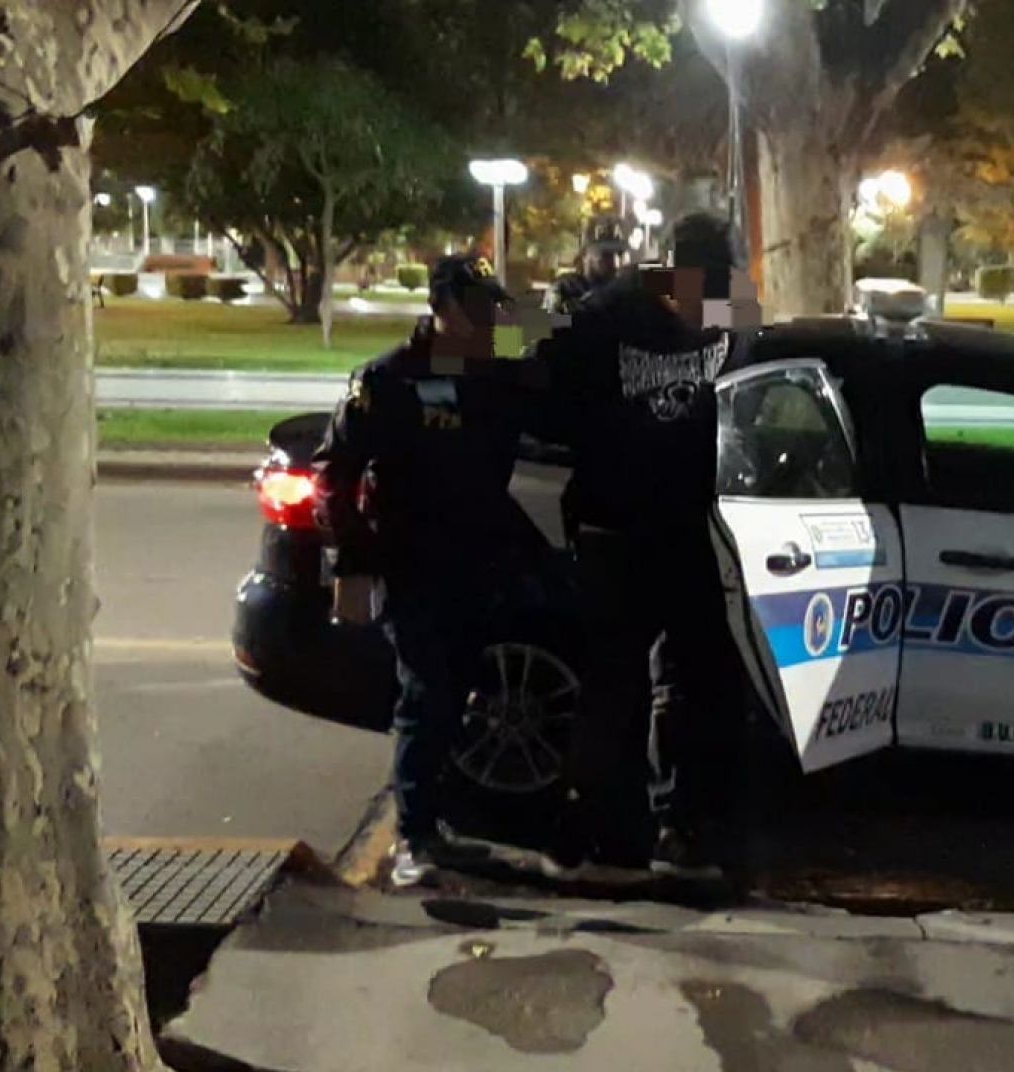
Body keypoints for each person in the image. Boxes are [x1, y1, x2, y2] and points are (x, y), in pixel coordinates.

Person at [531, 211, 750, 879]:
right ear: (675, 273)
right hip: (614, 529)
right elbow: (541, 391)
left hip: (688, 528)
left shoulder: (728, 312)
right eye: (703, 290)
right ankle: (602, 835)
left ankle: (682, 827)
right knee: (615, 684)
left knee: (702, 679)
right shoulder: (606, 316)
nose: (709, 308)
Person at [314, 254, 534, 888]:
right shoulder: (390, 378)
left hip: (478, 559)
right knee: (427, 693)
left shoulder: (496, 365)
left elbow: (556, 352)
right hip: (411, 563)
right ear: (444, 308)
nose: (490, 315)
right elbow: (334, 473)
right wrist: (350, 563)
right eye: (478, 305)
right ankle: (414, 838)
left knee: (460, 694)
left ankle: (437, 827)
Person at [543, 218, 629, 316]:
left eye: (620, 254)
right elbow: (547, 323)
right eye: (605, 255)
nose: (615, 263)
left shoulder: (626, 293)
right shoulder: (564, 289)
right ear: (584, 254)